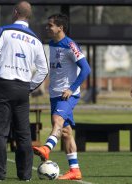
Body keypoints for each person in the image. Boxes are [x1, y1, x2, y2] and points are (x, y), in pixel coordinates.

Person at [0, 1, 48, 181]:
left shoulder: (5, 31)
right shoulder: (35, 39)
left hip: (4, 84)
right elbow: (43, 69)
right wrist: (30, 87)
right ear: (29, 16)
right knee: (24, 132)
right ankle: (25, 175)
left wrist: (5, 62)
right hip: (23, 88)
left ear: (15, 13)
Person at [32, 13, 91, 180]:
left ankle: (47, 148)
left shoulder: (70, 45)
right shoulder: (51, 44)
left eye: (50, 25)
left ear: (60, 28)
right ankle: (75, 170)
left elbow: (86, 69)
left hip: (67, 95)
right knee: (65, 132)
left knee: (57, 120)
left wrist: (71, 89)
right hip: (55, 94)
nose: (47, 28)